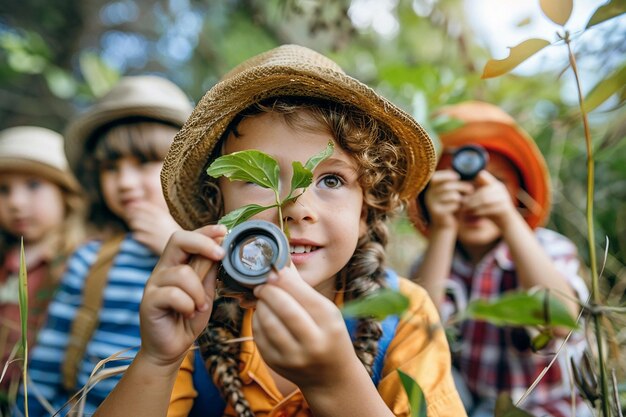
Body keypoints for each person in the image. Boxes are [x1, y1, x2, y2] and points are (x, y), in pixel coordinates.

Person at [93, 44, 466, 417]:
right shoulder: (198, 317)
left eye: (331, 180)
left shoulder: (405, 315)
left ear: (366, 209)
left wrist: (336, 383)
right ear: (217, 206)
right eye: (260, 178)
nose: (298, 209)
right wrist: (157, 360)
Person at [16, 75, 193, 416]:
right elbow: (45, 367)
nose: (124, 182)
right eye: (111, 168)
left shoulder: (215, 253)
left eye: (143, 162)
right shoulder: (91, 259)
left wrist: (175, 244)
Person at [407, 101, 590, 417]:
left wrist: (507, 218)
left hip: (548, 408)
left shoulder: (551, 249)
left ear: (519, 194)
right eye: (457, 181)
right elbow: (414, 336)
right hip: (469, 405)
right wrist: (444, 226)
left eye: (497, 181)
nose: (475, 193)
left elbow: (560, 320)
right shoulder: (434, 263)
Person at [0, 126, 86, 412]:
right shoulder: (5, 261)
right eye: (4, 190)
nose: (16, 202)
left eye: (34, 185)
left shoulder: (80, 261)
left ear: (65, 194)